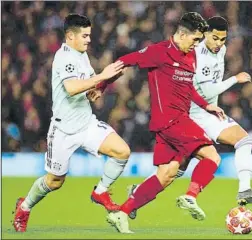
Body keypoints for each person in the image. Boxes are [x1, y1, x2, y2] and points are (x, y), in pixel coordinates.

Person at [103, 12, 226, 234]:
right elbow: (126, 61)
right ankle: (190, 196)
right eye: (195, 39)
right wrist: (101, 83)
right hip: (171, 120)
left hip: (176, 121)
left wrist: (206, 105)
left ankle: (121, 213)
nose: (196, 44)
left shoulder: (191, 55)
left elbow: (188, 87)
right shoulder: (159, 52)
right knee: (212, 156)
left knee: (167, 174)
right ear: (181, 34)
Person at [13, 14, 129, 232]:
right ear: (70, 36)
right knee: (55, 181)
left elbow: (87, 88)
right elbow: (72, 88)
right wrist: (101, 75)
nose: (88, 40)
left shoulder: (81, 54)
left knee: (122, 151)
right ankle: (25, 207)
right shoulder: (63, 57)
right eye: (85, 36)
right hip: (63, 129)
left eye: (89, 35)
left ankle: (100, 191)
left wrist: (101, 86)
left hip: (86, 124)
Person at [175, 16, 252, 208]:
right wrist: (235, 79)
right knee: (177, 166)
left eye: (223, 39)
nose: (219, 43)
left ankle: (244, 189)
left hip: (207, 113)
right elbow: (208, 91)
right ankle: (138, 193)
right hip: (194, 114)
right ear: (205, 34)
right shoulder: (199, 55)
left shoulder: (221, 50)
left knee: (243, 140)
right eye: (215, 38)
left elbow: (211, 89)